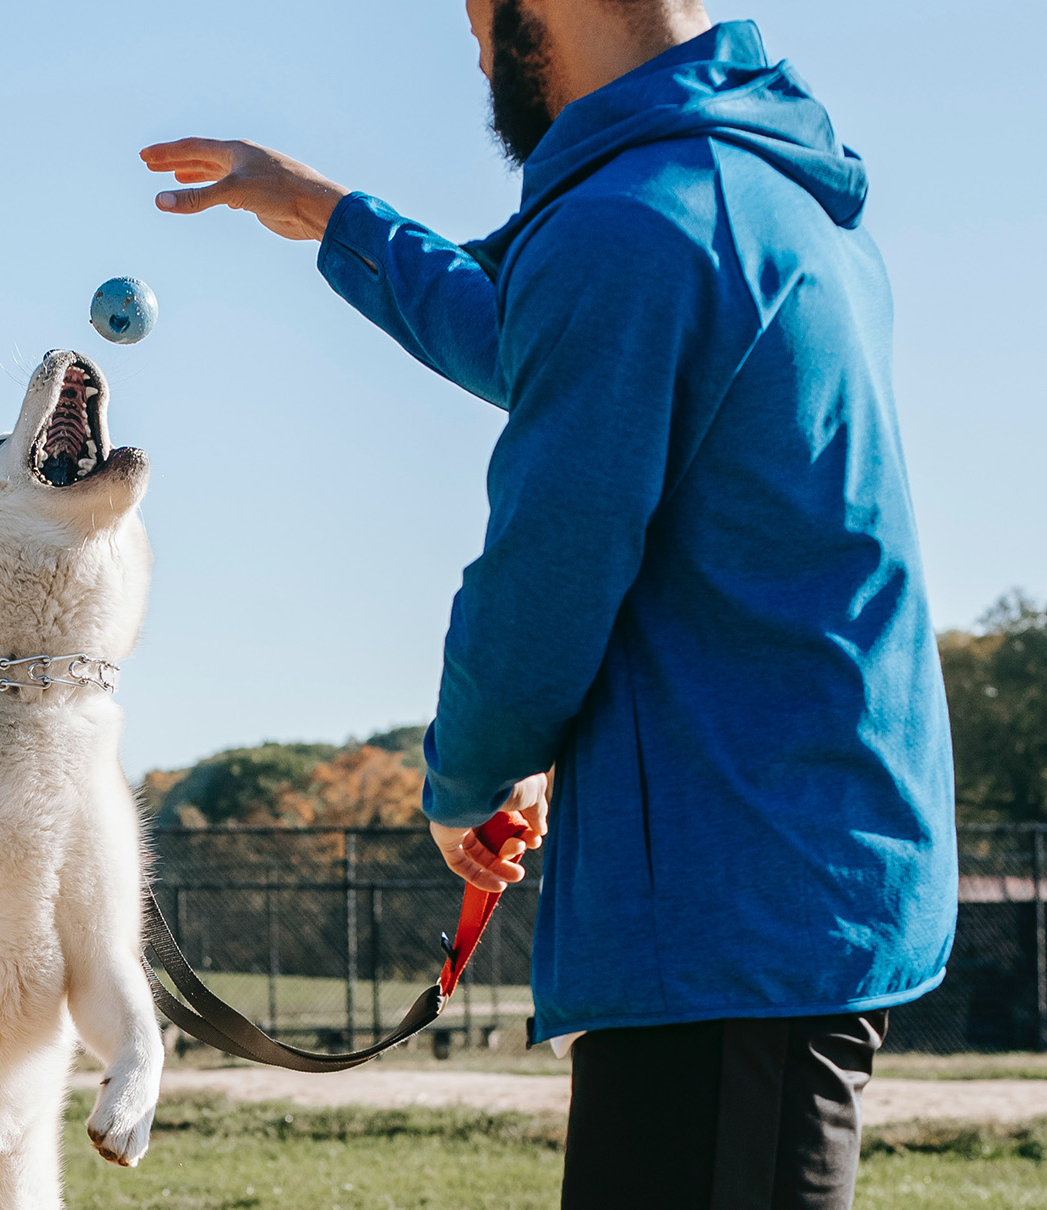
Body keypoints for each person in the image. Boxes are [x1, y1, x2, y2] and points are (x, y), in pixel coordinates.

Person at [141, 2, 958, 1207]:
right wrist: (326, 213)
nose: (473, 48)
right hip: (759, 893)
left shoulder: (638, 229)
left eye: (477, 10)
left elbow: (545, 574)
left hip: (732, 914)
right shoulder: (738, 197)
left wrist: (468, 777)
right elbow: (538, 334)